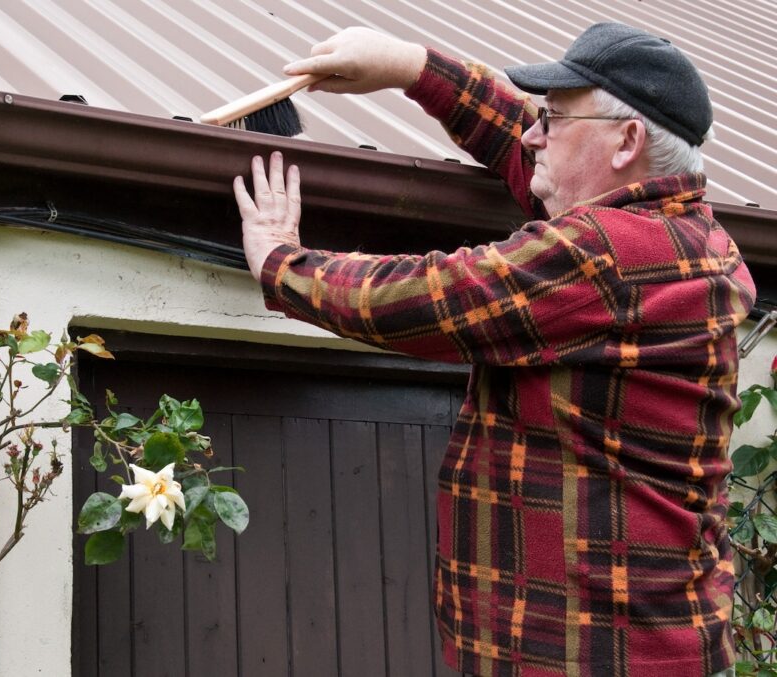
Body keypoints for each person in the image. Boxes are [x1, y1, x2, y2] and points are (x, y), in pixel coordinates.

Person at [233, 22, 757, 677]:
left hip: (597, 657)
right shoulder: (686, 239)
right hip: (625, 647)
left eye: (555, 119)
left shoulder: (611, 256)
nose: (535, 134)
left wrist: (283, 262)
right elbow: (524, 145)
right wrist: (410, 67)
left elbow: (439, 296)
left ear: (627, 142)